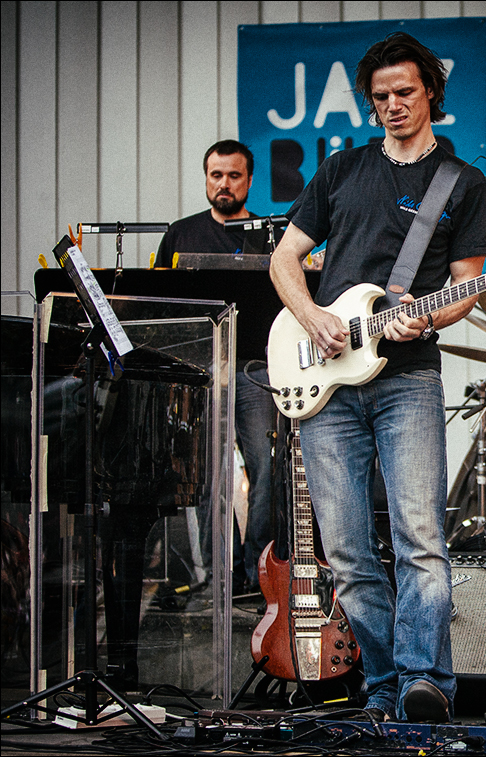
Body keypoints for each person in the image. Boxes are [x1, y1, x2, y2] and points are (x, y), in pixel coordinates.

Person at [269, 32, 486, 723]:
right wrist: (310, 317)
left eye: (405, 93)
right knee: (346, 548)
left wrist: (426, 321)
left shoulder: (461, 181)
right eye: (382, 97)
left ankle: (426, 681)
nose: (393, 105)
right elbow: (284, 260)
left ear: (431, 94)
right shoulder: (340, 171)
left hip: (408, 378)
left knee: (419, 535)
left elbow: (467, 286)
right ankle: (385, 684)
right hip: (327, 379)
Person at [155, 140, 282, 597]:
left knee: (267, 472)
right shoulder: (179, 235)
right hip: (200, 372)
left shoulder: (272, 234)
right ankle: (221, 577)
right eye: (216, 175)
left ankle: (260, 574)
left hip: (257, 369)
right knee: (207, 474)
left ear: (248, 180)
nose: (223, 184)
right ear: (205, 178)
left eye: (233, 176)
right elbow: (160, 310)